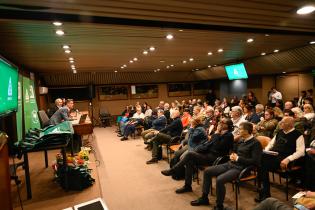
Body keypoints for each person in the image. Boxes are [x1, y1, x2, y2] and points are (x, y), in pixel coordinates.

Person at [190, 122, 262, 210]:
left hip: (241, 168)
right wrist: (232, 154)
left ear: (246, 131)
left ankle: (219, 206)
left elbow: (255, 161)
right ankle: (204, 198)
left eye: (240, 129)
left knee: (220, 180)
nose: (238, 131)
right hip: (231, 164)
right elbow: (233, 149)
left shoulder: (255, 143)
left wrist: (238, 158)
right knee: (208, 171)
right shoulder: (241, 140)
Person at [161, 118, 234, 194]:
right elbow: (208, 144)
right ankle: (187, 186)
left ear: (228, 126)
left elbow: (218, 146)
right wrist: (199, 149)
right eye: (220, 122)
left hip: (215, 158)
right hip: (207, 154)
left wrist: (216, 134)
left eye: (223, 122)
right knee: (189, 161)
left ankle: (173, 170)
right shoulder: (218, 134)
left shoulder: (228, 135)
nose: (220, 123)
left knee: (190, 154)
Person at [256, 116, 305, 202]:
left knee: (261, 163)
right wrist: (266, 151)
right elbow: (271, 144)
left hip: (285, 158)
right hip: (273, 155)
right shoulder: (280, 132)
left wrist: (288, 159)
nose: (280, 123)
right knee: (260, 159)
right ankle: (264, 191)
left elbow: (301, 152)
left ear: (290, 125)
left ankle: (264, 191)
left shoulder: (298, 135)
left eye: (282, 122)